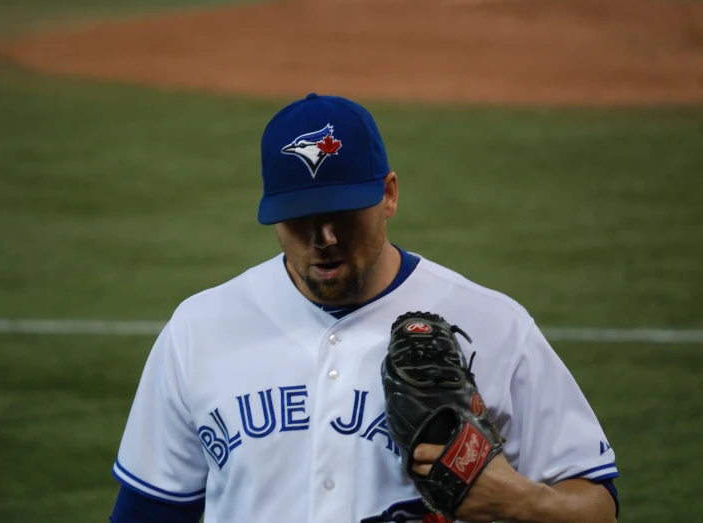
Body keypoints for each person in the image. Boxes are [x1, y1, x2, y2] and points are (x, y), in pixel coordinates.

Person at [108, 93, 620, 523]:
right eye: (299, 218)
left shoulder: (493, 325)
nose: (323, 238)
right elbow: (148, 509)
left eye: (342, 213)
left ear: (389, 195)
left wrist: (519, 500)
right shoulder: (199, 329)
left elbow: (598, 504)